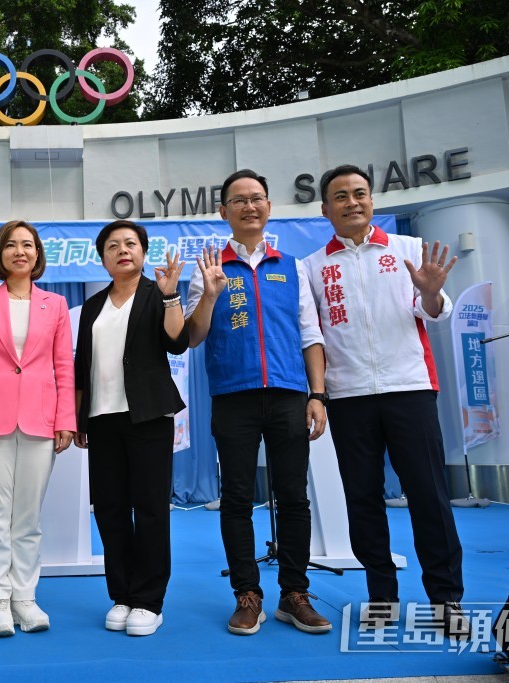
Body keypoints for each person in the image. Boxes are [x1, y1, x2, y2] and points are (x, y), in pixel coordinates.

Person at [302, 164, 466, 636]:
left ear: (372, 200)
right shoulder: (313, 267)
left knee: (429, 496)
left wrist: (432, 294)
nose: (353, 202)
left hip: (409, 388)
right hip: (350, 397)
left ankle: (446, 598)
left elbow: (432, 311)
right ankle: (382, 596)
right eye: (341, 196)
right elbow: (311, 333)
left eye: (361, 193)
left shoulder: (409, 250)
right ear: (326, 209)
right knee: (363, 499)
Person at [184, 169, 331, 636]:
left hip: (290, 395)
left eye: (258, 198)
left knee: (293, 497)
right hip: (234, 398)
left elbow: (310, 335)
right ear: (223, 211)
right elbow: (193, 337)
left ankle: (294, 594)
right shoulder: (208, 267)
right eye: (239, 200)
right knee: (238, 499)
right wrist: (208, 296)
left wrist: (318, 394)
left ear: (269, 206)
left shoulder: (293, 266)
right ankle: (247, 595)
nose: (250, 206)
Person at [0, 220, 76, 638]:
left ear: (38, 253)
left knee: (27, 517)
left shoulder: (55, 304)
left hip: (40, 420)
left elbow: (63, 366)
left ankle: (25, 596)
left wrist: (66, 419)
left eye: (27, 244)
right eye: (11, 245)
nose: (20, 251)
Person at [74, 219, 189, 637]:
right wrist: (79, 417)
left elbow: (178, 342)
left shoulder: (156, 294)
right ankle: (122, 594)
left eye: (130, 244)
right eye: (112, 246)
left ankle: (148, 600)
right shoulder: (92, 306)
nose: (122, 250)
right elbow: (80, 366)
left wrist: (171, 296)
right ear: (102, 258)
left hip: (147, 417)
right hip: (102, 419)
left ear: (142, 252)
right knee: (110, 509)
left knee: (152, 509)